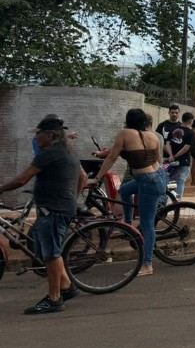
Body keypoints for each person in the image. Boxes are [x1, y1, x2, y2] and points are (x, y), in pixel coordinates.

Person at [0, 116, 87, 314]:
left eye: (38, 134)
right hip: (59, 208)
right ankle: (66, 286)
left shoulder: (48, 153)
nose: (36, 137)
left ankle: (54, 299)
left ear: (49, 135)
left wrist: (1, 189)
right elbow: (82, 176)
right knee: (41, 246)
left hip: (54, 211)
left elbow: (23, 179)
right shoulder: (67, 151)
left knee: (51, 254)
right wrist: (73, 198)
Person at [89, 108, 166, 277]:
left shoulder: (124, 133)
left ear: (128, 120)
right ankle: (129, 226)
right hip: (157, 176)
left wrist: (96, 178)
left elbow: (112, 157)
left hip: (148, 181)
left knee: (147, 224)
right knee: (124, 190)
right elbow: (159, 160)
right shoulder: (152, 136)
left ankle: (147, 265)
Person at [164, 112, 195, 198]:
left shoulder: (173, 129)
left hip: (172, 161)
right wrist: (175, 156)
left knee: (172, 180)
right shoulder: (191, 133)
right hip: (183, 161)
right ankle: (177, 201)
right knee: (181, 181)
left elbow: (167, 143)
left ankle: (171, 198)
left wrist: (171, 155)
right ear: (190, 121)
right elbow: (186, 148)